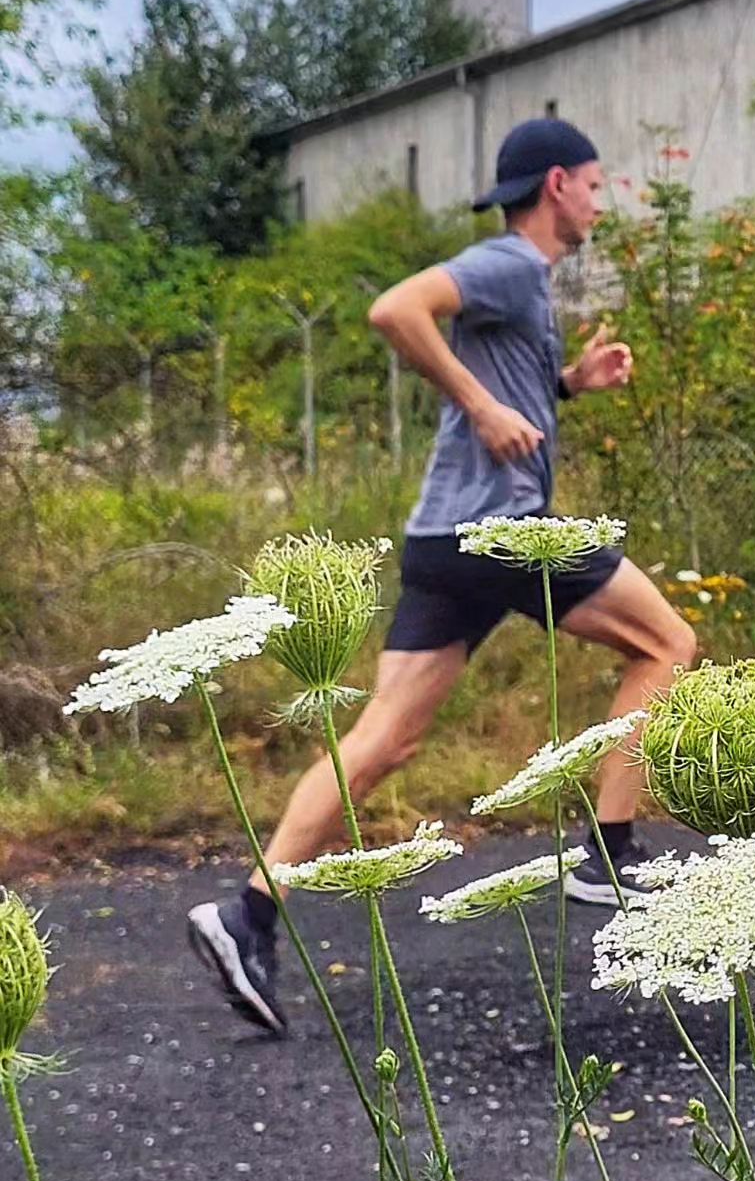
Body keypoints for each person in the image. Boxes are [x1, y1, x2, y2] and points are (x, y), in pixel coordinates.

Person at [188, 117, 698, 1035]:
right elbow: (394, 310)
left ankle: (246, 915)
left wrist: (571, 384)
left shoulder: (526, 290)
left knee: (385, 738)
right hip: (501, 533)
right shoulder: (507, 264)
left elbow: (508, 389)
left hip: (442, 537)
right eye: (592, 181)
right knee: (667, 642)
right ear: (554, 185)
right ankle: (609, 853)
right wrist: (482, 400)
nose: (597, 198)